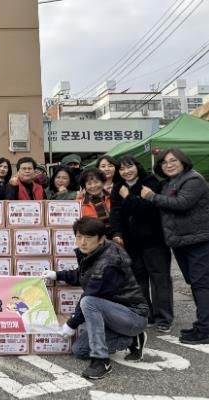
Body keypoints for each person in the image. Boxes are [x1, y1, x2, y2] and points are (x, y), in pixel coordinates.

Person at [43, 217, 148, 380]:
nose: (83, 242)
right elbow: (83, 275)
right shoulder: (94, 253)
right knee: (80, 350)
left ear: (101, 239)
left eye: (88, 237)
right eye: (79, 237)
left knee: (89, 302)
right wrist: (57, 275)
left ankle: (101, 361)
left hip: (133, 316)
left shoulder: (110, 262)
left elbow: (91, 293)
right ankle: (131, 339)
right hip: (113, 317)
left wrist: (72, 323)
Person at [141, 148, 209, 344]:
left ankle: (205, 329)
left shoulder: (193, 180)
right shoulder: (171, 182)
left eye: (173, 160)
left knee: (202, 284)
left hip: (198, 240)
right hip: (182, 241)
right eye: (164, 162)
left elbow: (182, 203)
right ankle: (203, 324)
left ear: (183, 161)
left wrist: (152, 197)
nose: (168, 165)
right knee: (196, 283)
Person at [110, 156, 173, 333]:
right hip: (131, 241)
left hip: (154, 239)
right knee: (139, 280)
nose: (126, 171)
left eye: (129, 167)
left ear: (137, 166)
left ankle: (164, 318)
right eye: (122, 169)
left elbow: (149, 210)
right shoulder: (118, 187)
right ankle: (146, 315)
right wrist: (117, 233)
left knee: (159, 278)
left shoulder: (150, 182)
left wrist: (128, 197)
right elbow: (116, 213)